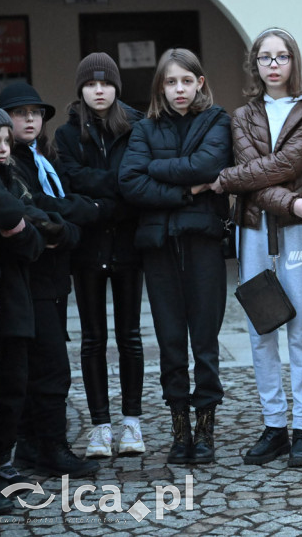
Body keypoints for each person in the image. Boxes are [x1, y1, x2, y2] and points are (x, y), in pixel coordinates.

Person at [213, 28, 302, 467]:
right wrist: (290, 199)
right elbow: (257, 178)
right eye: (265, 57)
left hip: (298, 231)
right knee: (262, 327)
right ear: (255, 65)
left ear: (293, 62)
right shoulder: (242, 116)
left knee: (301, 328)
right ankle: (274, 426)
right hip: (254, 229)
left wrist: (228, 180)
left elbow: (283, 165)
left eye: (282, 56)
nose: (274, 64)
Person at [119, 49, 232, 464]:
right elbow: (130, 182)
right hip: (159, 249)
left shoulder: (218, 120)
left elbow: (209, 164)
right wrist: (188, 191)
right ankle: (179, 431)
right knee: (170, 342)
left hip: (203, 245)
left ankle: (205, 431)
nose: (179, 89)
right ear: (160, 88)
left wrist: (159, 170)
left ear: (199, 82)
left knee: (205, 340)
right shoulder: (144, 128)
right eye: (171, 82)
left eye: (186, 80)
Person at [0, 82, 106, 477]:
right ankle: (50, 449)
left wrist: (68, 225)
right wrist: (74, 224)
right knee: (49, 368)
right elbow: (38, 211)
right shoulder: (8, 161)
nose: (30, 119)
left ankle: (31, 446)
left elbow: (55, 211)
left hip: (53, 279)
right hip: (31, 277)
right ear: (3, 120)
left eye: (35, 112)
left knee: (41, 364)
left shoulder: (40, 157)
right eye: (20, 112)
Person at [55, 53, 146, 459]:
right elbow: (72, 182)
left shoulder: (137, 127)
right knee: (93, 339)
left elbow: (135, 182)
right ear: (81, 89)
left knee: (130, 337)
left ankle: (132, 423)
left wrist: (103, 195)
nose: (98, 90)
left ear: (115, 88)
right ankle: (99, 427)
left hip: (127, 245)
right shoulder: (66, 134)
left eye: (105, 83)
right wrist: (113, 192)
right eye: (91, 84)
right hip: (88, 249)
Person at [0, 98, 44, 497]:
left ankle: (3, 462)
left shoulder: (12, 179)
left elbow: (34, 237)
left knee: (12, 385)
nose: (4, 148)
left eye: (7, 140)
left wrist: (25, 230)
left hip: (16, 299)